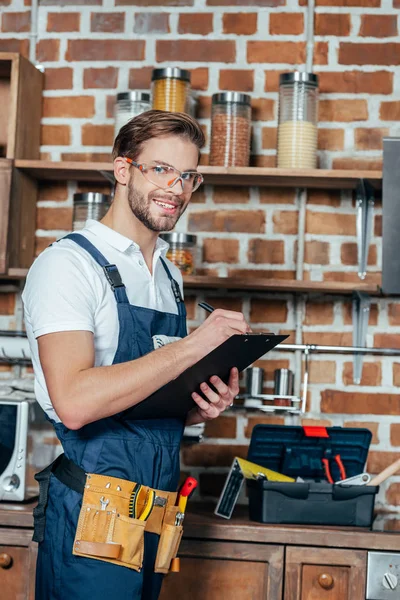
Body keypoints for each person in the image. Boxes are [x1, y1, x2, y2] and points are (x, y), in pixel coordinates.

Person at [22, 110, 251, 600]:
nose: (176, 187)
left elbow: (144, 396)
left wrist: (197, 404)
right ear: (123, 170)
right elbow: (76, 402)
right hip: (96, 511)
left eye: (188, 175)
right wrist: (195, 346)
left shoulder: (169, 277)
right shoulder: (67, 266)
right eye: (160, 169)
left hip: (156, 510)